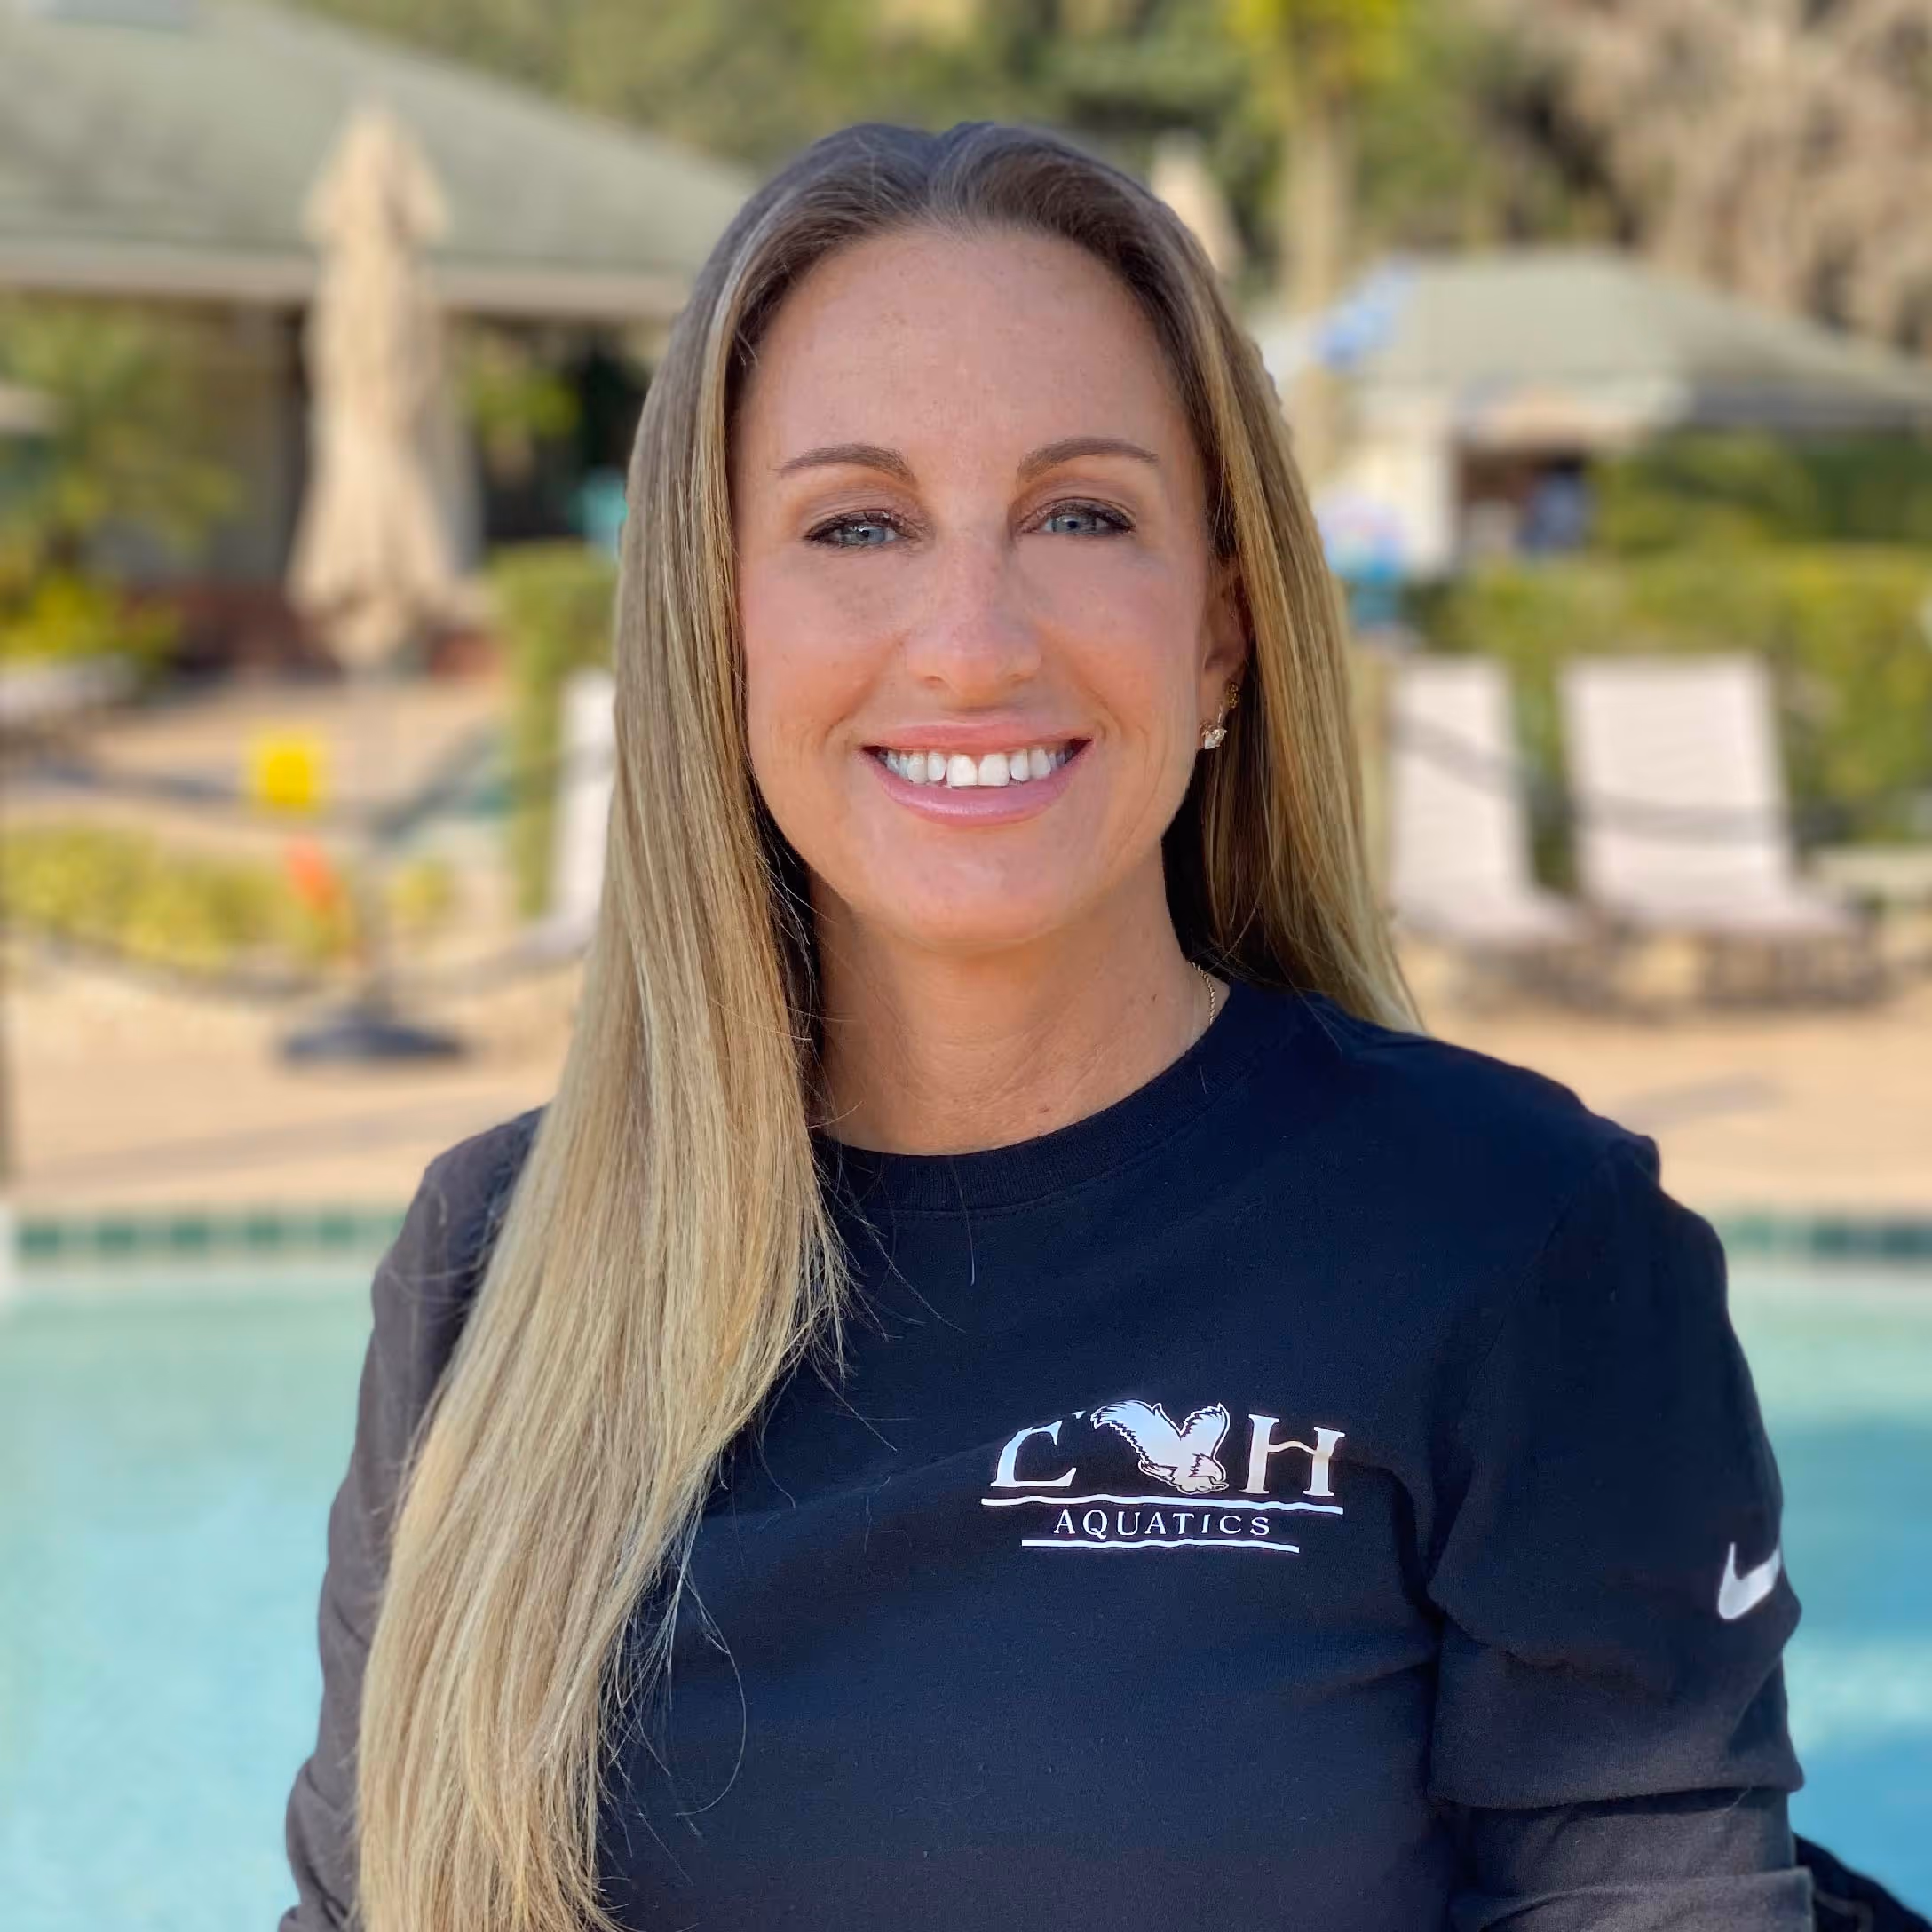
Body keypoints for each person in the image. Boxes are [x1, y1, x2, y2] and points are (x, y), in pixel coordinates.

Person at [281, 121, 1818, 1932]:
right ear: (718, 628)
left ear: (1221, 637)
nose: (967, 640)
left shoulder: (1518, 1243)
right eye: (854, 524)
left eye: (1078, 514)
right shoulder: (492, 1270)